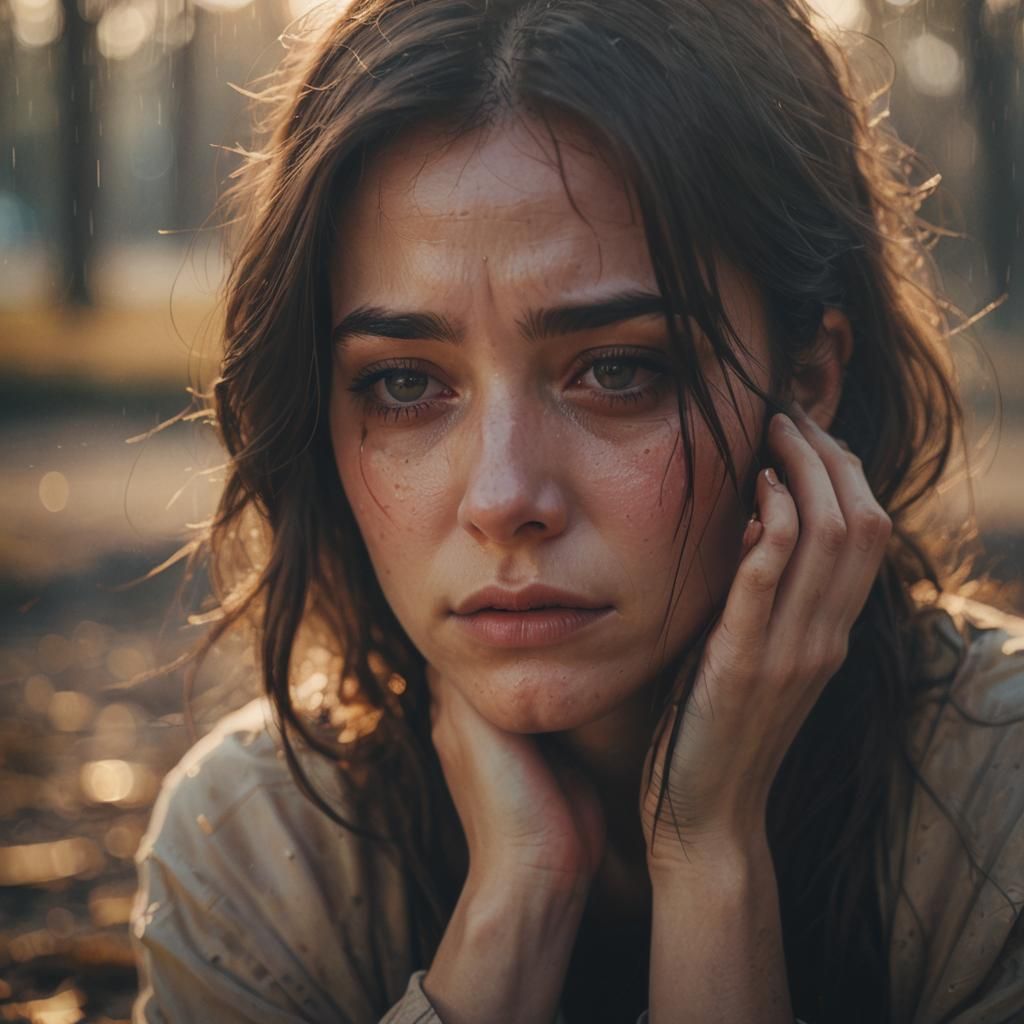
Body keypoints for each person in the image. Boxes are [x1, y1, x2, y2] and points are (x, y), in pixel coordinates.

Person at [130, 1, 1024, 1022]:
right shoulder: (257, 851)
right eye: (405, 385)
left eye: (615, 369)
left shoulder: (1002, 806)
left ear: (806, 380)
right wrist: (508, 915)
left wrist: (712, 855)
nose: (504, 497)